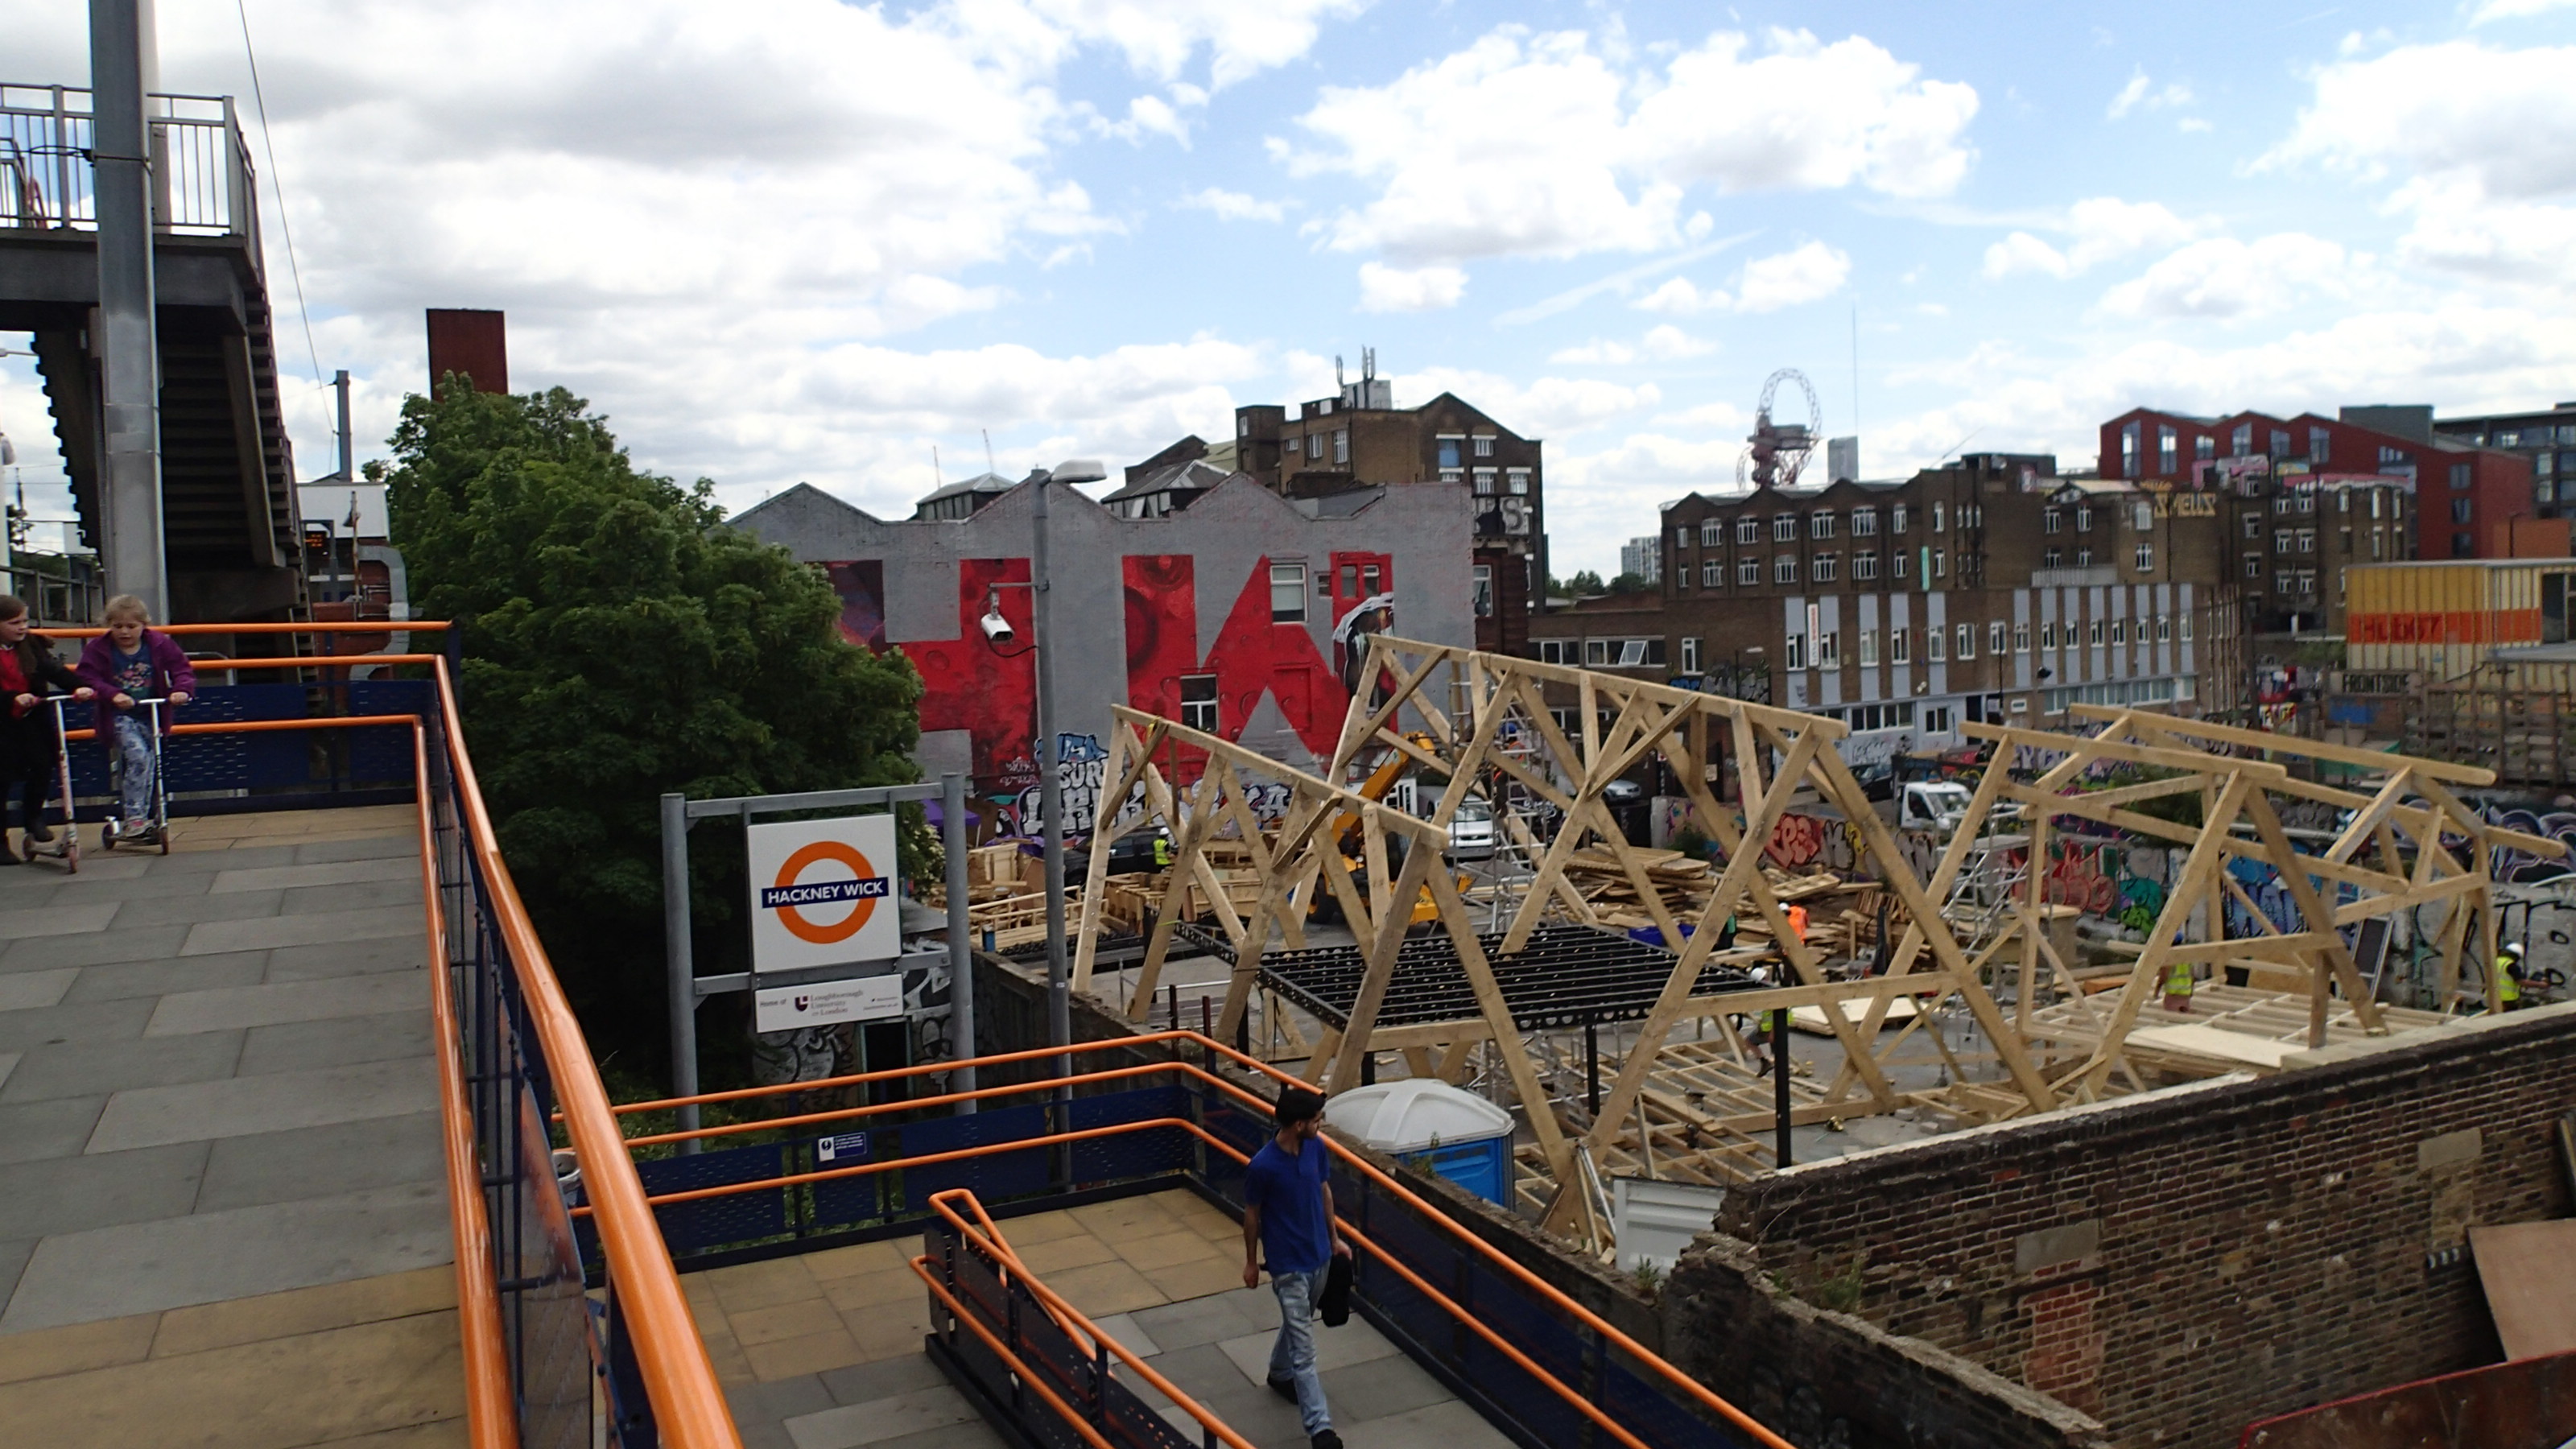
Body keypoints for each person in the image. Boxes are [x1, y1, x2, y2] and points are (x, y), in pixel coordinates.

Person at [1242, 1085, 1348, 1449]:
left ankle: (1278, 1372)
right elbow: (1252, 1215)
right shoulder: (1262, 1166)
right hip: (1288, 1267)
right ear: (1299, 1124)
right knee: (1305, 1350)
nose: (1321, 1125)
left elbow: (1324, 1191)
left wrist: (1334, 1240)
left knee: (1298, 1321)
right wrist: (1251, 1262)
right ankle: (1321, 1429)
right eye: (1317, 1120)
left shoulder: (1316, 1148)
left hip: (1319, 1256)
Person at [76, 595, 194, 845]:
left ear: (143, 625)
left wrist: (181, 690)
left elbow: (181, 668)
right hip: (118, 715)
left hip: (152, 713)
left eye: (131, 626)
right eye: (117, 626)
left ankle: (147, 814)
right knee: (138, 757)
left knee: (150, 761)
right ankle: (135, 817)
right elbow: (87, 676)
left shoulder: (159, 644)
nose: (124, 632)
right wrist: (112, 694)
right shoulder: (98, 648)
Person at [0, 597, 93, 857]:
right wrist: (11, 698)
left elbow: (54, 670)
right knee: (2, 780)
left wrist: (78, 687)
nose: (22, 627)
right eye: (14, 623)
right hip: (3, 722)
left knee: (42, 765)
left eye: (24, 621)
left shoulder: (31, 645)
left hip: (32, 718)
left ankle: (33, 817)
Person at [2497, 942, 2528, 1011]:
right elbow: (2521, 982)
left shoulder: (2496, 961)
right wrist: (2540, 985)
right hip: (2507, 999)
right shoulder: (2511, 965)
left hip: (2492, 997)